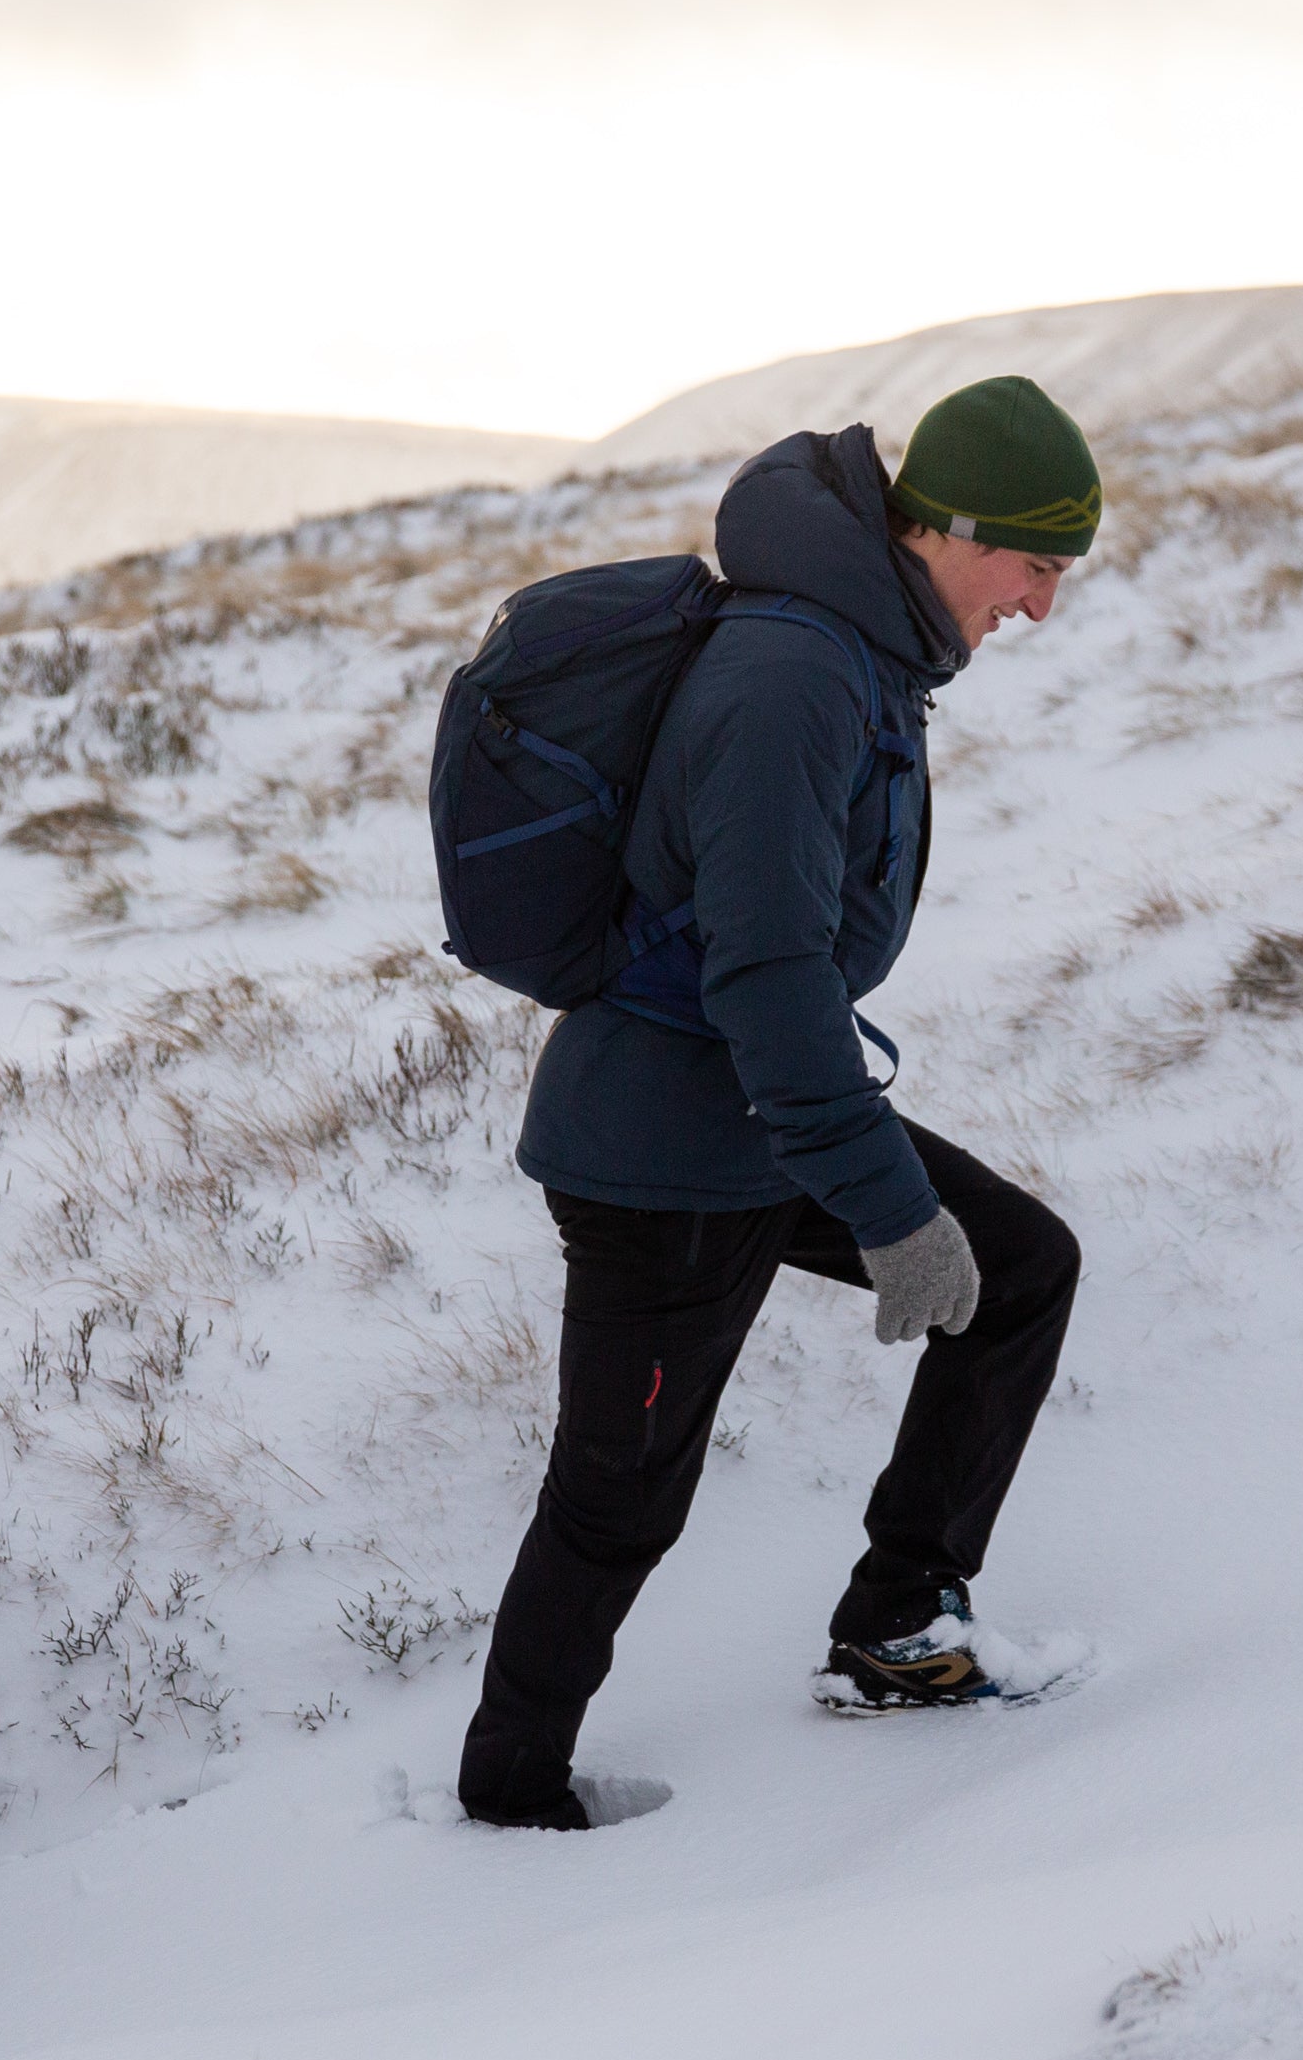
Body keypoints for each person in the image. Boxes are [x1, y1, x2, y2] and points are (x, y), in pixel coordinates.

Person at [457, 378, 1100, 1831]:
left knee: (1021, 1270)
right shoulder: (793, 681)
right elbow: (765, 978)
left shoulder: (861, 655)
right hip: (660, 1164)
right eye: (1036, 569)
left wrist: (896, 1210)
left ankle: (899, 1625)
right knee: (620, 1502)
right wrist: (891, 1214)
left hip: (747, 1123)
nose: (1040, 609)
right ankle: (507, 1803)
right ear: (948, 532)